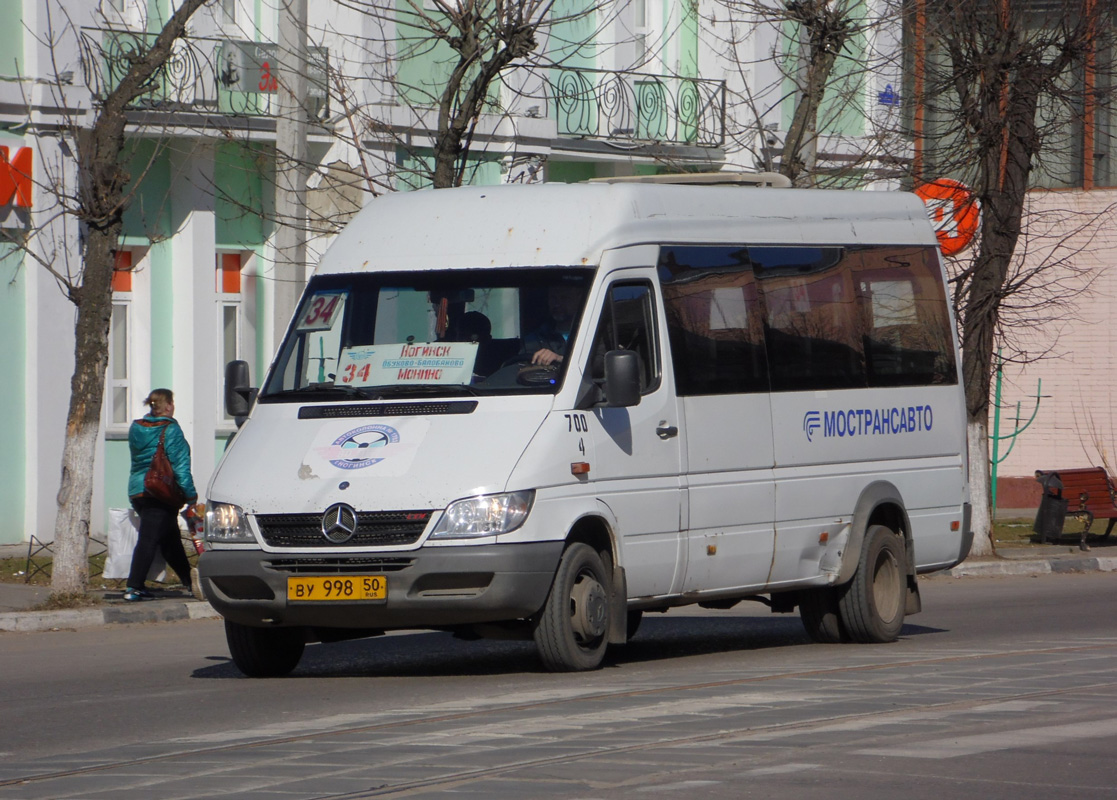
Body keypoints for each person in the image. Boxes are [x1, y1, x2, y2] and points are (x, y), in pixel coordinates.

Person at [125, 389, 198, 601]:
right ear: (167, 406)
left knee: (170, 541)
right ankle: (134, 587)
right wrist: (191, 497)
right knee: (149, 539)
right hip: (160, 491)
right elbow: (181, 468)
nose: (173, 406)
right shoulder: (171, 430)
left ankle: (190, 582)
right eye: (172, 402)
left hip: (138, 490)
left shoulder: (136, 428)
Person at [525, 284, 582, 366]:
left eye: (564, 298)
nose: (557, 304)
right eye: (553, 298)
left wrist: (560, 359)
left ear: (578, 299)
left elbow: (600, 364)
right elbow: (525, 366)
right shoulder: (536, 338)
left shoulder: (594, 332)